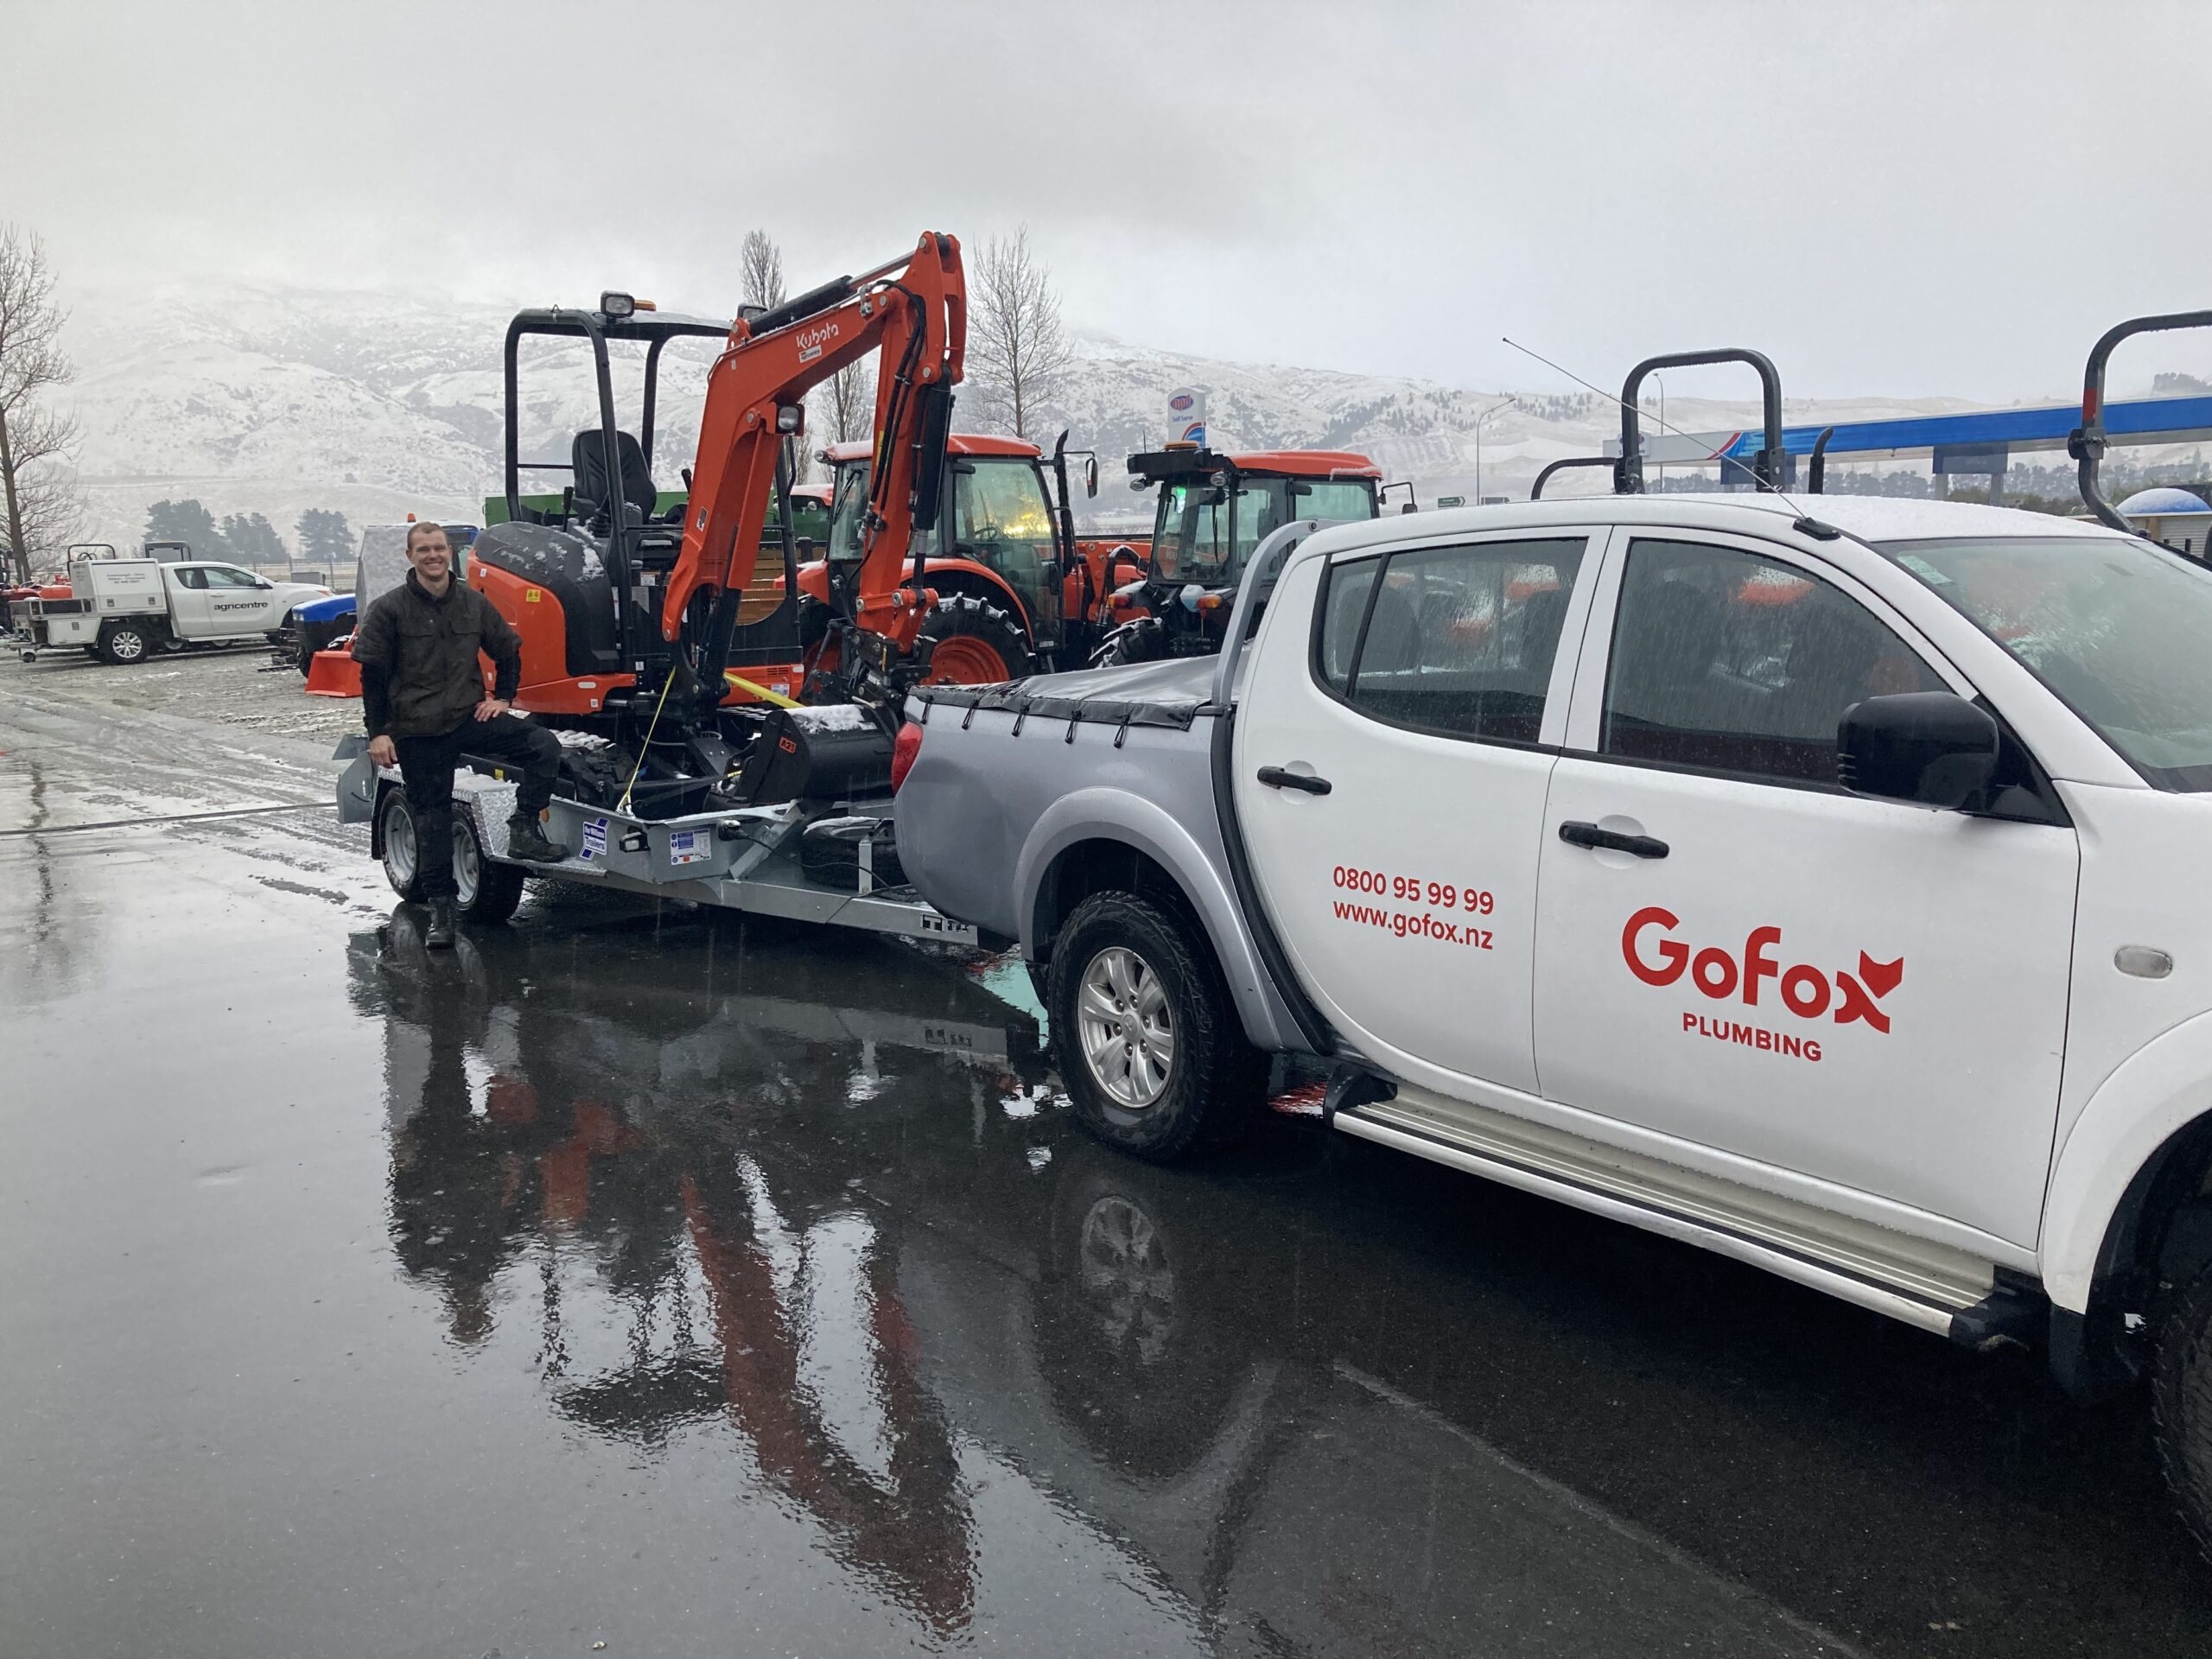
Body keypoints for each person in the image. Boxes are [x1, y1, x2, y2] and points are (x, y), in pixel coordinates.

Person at [352, 522, 564, 949]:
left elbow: (508, 650)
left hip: (468, 719)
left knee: (543, 746)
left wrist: (502, 698)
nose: (433, 556)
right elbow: (372, 678)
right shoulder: (389, 609)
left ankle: (524, 831)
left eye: (439, 548)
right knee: (432, 820)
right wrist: (378, 735)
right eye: (423, 550)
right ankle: (442, 914)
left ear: (450, 552)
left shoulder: (473, 603)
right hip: (418, 731)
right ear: (410, 557)